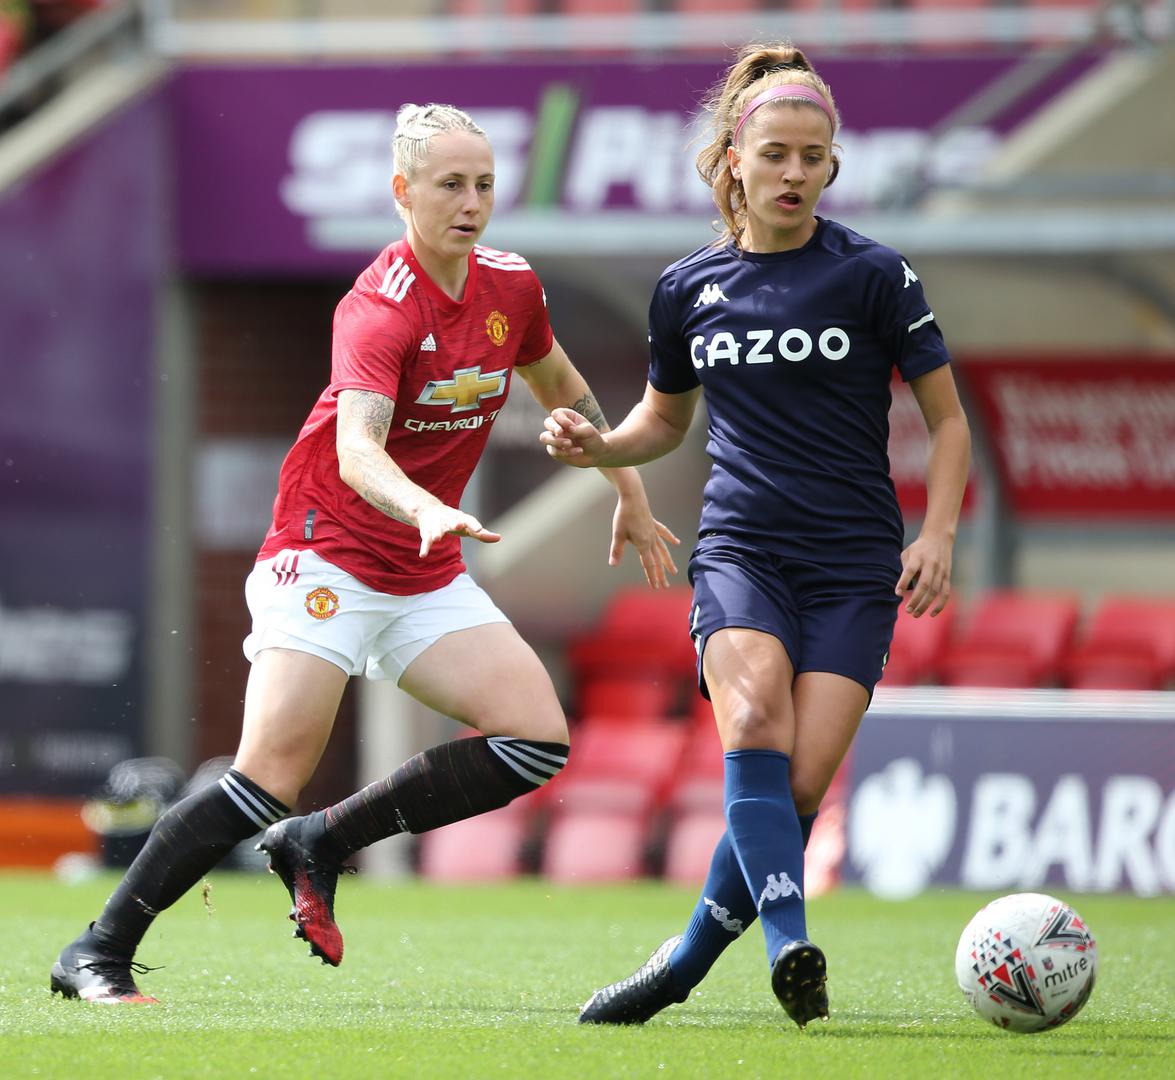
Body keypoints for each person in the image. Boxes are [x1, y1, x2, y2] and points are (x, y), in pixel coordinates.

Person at [50, 102, 679, 1005]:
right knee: (268, 775)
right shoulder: (377, 306)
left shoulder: (510, 286)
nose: (471, 202)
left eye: (484, 184)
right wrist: (426, 508)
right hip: (326, 555)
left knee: (536, 740)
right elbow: (356, 452)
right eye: (450, 184)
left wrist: (627, 487)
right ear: (402, 191)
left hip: (420, 568)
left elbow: (565, 392)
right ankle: (96, 952)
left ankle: (323, 842)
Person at [540, 43, 971, 1029]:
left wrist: (936, 533)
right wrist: (600, 449)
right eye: (773, 153)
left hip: (854, 562)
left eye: (810, 157)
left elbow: (948, 423)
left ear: (830, 166)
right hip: (739, 548)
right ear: (732, 157)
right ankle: (791, 950)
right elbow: (664, 421)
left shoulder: (872, 275)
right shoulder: (687, 286)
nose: (791, 173)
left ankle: (684, 961)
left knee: (802, 780)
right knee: (750, 725)